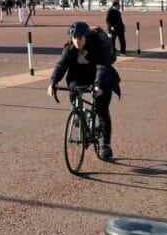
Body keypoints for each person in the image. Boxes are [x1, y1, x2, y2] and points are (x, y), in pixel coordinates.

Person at [48, 21, 121, 160]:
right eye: (74, 38)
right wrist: (53, 82)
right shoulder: (69, 49)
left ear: (86, 37)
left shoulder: (96, 46)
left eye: (80, 38)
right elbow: (61, 65)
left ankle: (105, 145)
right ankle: (79, 114)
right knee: (73, 90)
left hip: (101, 76)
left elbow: (102, 66)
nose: (77, 41)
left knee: (101, 108)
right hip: (79, 76)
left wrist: (98, 85)